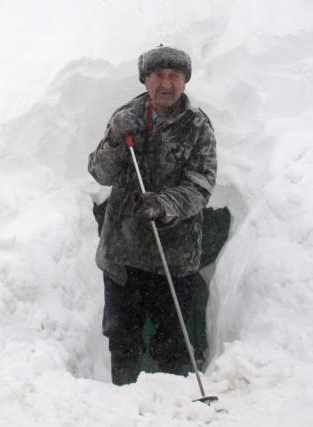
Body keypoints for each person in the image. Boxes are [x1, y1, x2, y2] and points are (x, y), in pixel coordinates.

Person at [87, 45, 217, 385]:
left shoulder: (197, 127)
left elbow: (201, 185)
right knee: (123, 344)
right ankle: (122, 412)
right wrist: (115, 139)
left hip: (173, 259)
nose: (166, 83)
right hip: (123, 258)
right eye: (158, 75)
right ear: (145, 80)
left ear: (185, 82)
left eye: (174, 76)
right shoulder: (126, 118)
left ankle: (170, 413)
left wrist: (165, 205)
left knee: (172, 348)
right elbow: (101, 173)